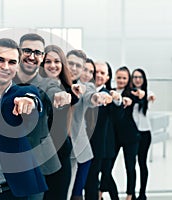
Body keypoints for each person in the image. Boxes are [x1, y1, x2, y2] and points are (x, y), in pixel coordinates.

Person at [0, 38, 48, 200]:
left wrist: (29, 103)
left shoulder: (23, 92)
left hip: (13, 191)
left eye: (12, 62)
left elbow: (34, 99)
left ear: (17, 66)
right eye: (0, 60)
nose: (5, 67)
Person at [13, 33, 73, 200]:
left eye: (37, 53)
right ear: (18, 52)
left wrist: (62, 96)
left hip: (38, 163)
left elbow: (53, 91)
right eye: (27, 51)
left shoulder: (48, 83)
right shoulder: (7, 79)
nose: (32, 56)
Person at [65, 52, 116, 200]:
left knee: (76, 193)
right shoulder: (60, 85)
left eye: (90, 71)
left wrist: (98, 98)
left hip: (80, 150)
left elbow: (91, 96)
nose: (87, 74)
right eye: (85, 69)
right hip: (62, 149)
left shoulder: (87, 87)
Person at [39, 44, 77, 200]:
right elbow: (53, 92)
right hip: (41, 154)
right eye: (48, 62)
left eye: (57, 61)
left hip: (62, 151)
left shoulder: (69, 88)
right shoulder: (38, 86)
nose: (53, 65)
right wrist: (59, 96)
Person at [100, 66, 143, 200]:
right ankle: (101, 192)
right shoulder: (110, 92)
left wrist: (134, 98)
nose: (121, 80)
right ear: (114, 78)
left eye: (124, 78)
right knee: (107, 168)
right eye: (119, 77)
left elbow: (139, 97)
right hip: (114, 137)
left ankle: (130, 195)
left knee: (130, 167)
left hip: (130, 136)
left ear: (128, 79)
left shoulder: (132, 92)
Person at [131, 68, 155, 200]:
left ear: (144, 79)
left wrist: (145, 96)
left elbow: (152, 97)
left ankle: (142, 193)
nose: (137, 79)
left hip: (145, 133)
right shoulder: (130, 94)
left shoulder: (148, 93)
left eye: (140, 77)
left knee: (142, 163)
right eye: (135, 77)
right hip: (133, 134)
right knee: (131, 164)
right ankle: (132, 193)